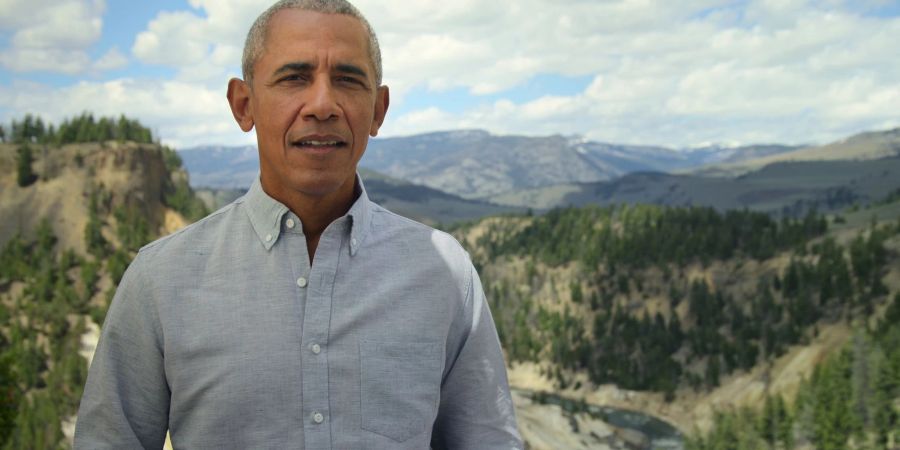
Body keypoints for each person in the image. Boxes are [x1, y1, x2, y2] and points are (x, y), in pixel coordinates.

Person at [73, 0, 523, 448]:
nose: (323, 104)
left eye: (348, 79)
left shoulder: (443, 274)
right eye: (294, 78)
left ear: (378, 110)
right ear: (243, 104)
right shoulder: (160, 280)